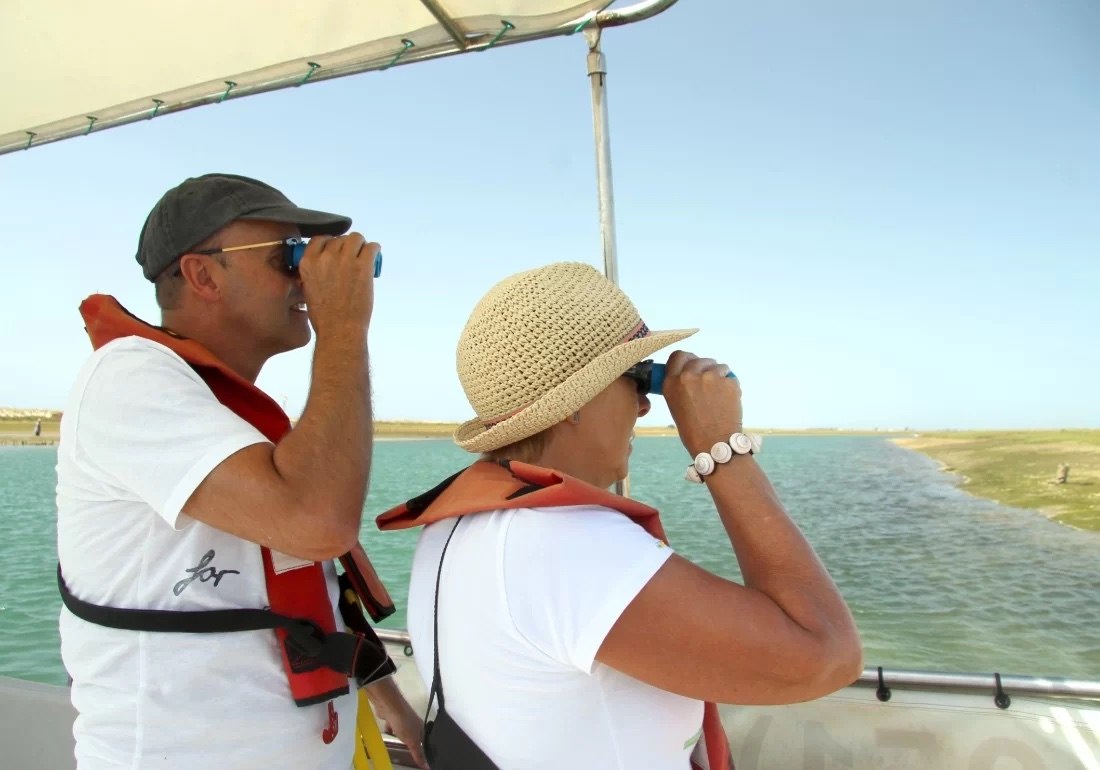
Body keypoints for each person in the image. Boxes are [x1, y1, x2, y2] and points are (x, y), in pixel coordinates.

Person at [378, 262, 863, 770]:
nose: (645, 407)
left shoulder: (457, 526)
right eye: (637, 380)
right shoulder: (562, 542)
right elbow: (826, 653)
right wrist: (722, 448)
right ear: (575, 399)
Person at [56, 173, 426, 769]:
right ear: (202, 274)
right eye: (289, 256)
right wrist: (345, 328)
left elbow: (301, 589)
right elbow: (316, 522)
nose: (308, 275)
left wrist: (392, 704)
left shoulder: (222, 415)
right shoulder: (128, 377)